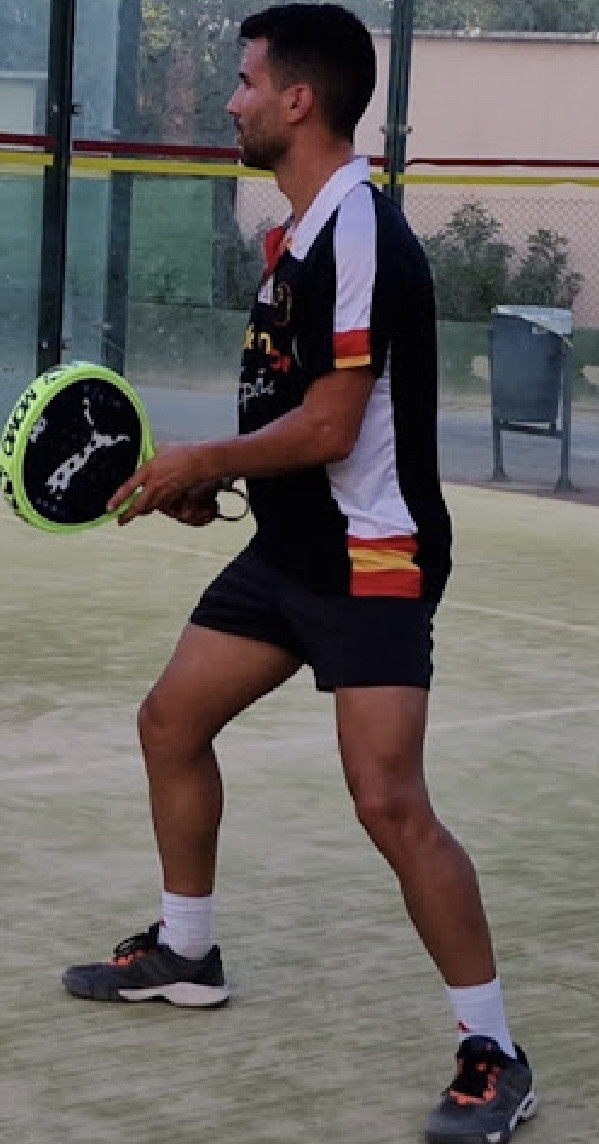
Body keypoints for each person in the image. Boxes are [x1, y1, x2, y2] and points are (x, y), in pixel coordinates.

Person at [62, 6, 537, 1141]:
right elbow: (291, 413)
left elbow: (332, 426)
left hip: (371, 557)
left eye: (243, 81)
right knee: (171, 722)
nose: (229, 100)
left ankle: (494, 1051)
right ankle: (186, 951)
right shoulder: (298, 236)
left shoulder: (357, 231)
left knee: (387, 800)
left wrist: (205, 459)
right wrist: (213, 486)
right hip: (289, 550)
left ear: (297, 100)